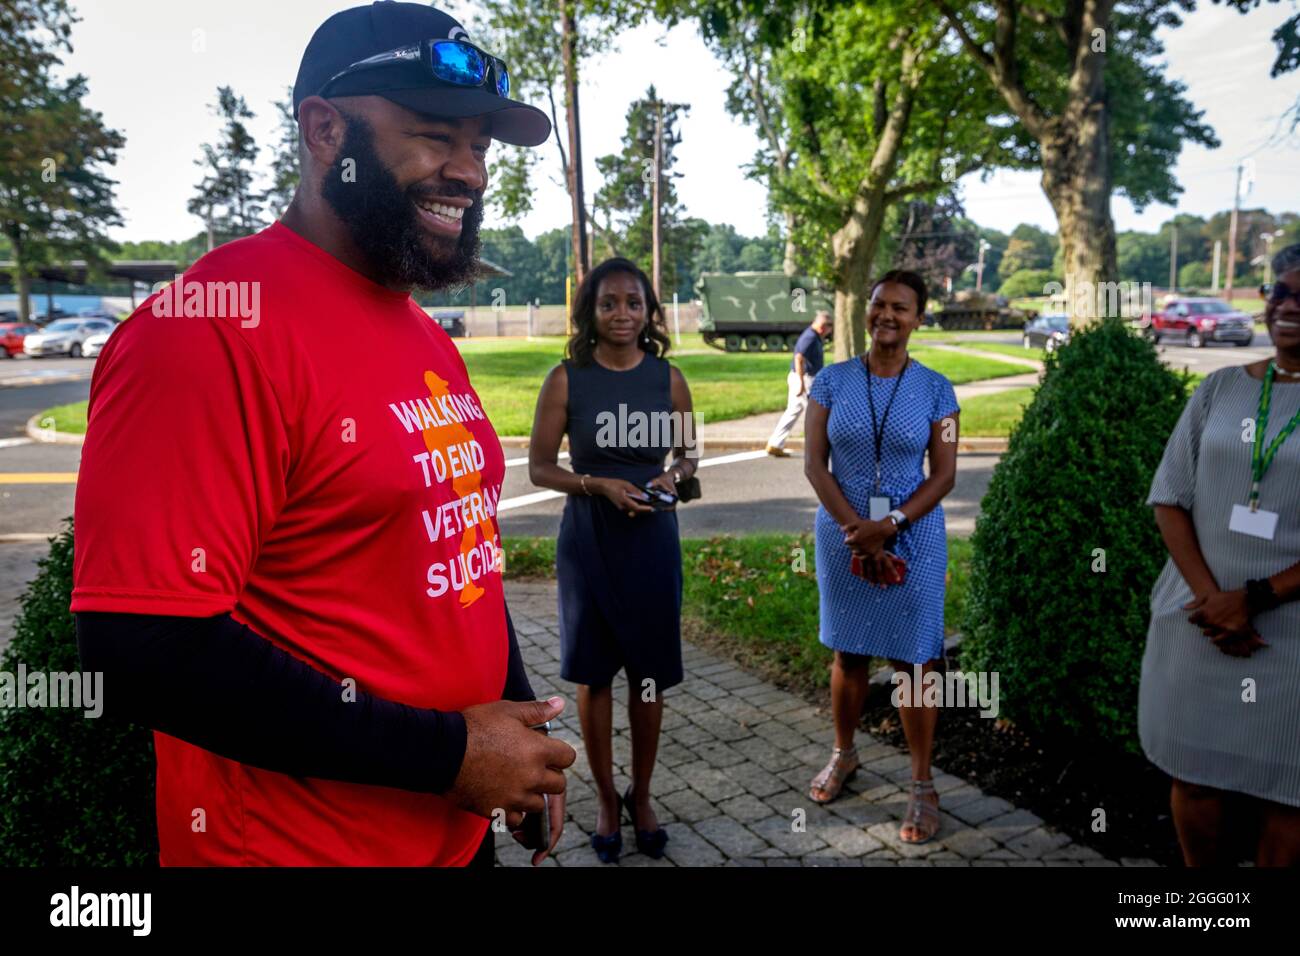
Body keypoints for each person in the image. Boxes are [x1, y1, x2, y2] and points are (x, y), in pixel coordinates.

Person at [71, 2, 576, 867]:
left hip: (452, 833)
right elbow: (140, 647)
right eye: (432, 136)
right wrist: (451, 755)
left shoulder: (416, 327)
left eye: (480, 146)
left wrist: (519, 737)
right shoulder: (209, 328)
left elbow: (458, 552)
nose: (469, 172)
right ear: (323, 129)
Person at [529, 257, 696, 863]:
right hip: (589, 539)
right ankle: (603, 796)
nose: (621, 314)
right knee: (594, 675)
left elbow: (690, 456)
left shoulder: (669, 378)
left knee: (648, 674)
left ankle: (642, 793)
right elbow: (540, 467)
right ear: (590, 313)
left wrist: (673, 478)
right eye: (609, 303)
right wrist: (596, 484)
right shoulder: (566, 378)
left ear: (649, 311)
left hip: (651, 540)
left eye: (633, 302)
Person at [1140, 242, 1300, 867]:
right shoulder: (1220, 388)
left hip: (1286, 633)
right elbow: (1169, 499)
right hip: (1197, 618)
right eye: (1279, 293)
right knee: (1196, 774)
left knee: (1288, 794)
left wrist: (1254, 599)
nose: (1288, 306)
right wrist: (1214, 600)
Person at [802, 270, 959, 844]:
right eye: (878, 305)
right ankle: (844, 754)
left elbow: (943, 476)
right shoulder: (831, 382)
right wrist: (856, 527)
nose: (886, 315)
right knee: (848, 652)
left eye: (900, 307)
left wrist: (889, 524)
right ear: (866, 312)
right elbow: (815, 465)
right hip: (843, 530)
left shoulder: (939, 389)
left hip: (913, 533)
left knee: (916, 661)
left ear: (919, 318)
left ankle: (922, 784)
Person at [767, 309, 833, 457]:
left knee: (793, 411)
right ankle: (820, 447)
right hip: (804, 378)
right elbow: (799, 357)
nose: (829, 332)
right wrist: (801, 383)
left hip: (803, 378)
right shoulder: (810, 337)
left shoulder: (814, 336)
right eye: (829, 328)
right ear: (824, 326)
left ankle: (775, 443)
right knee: (816, 413)